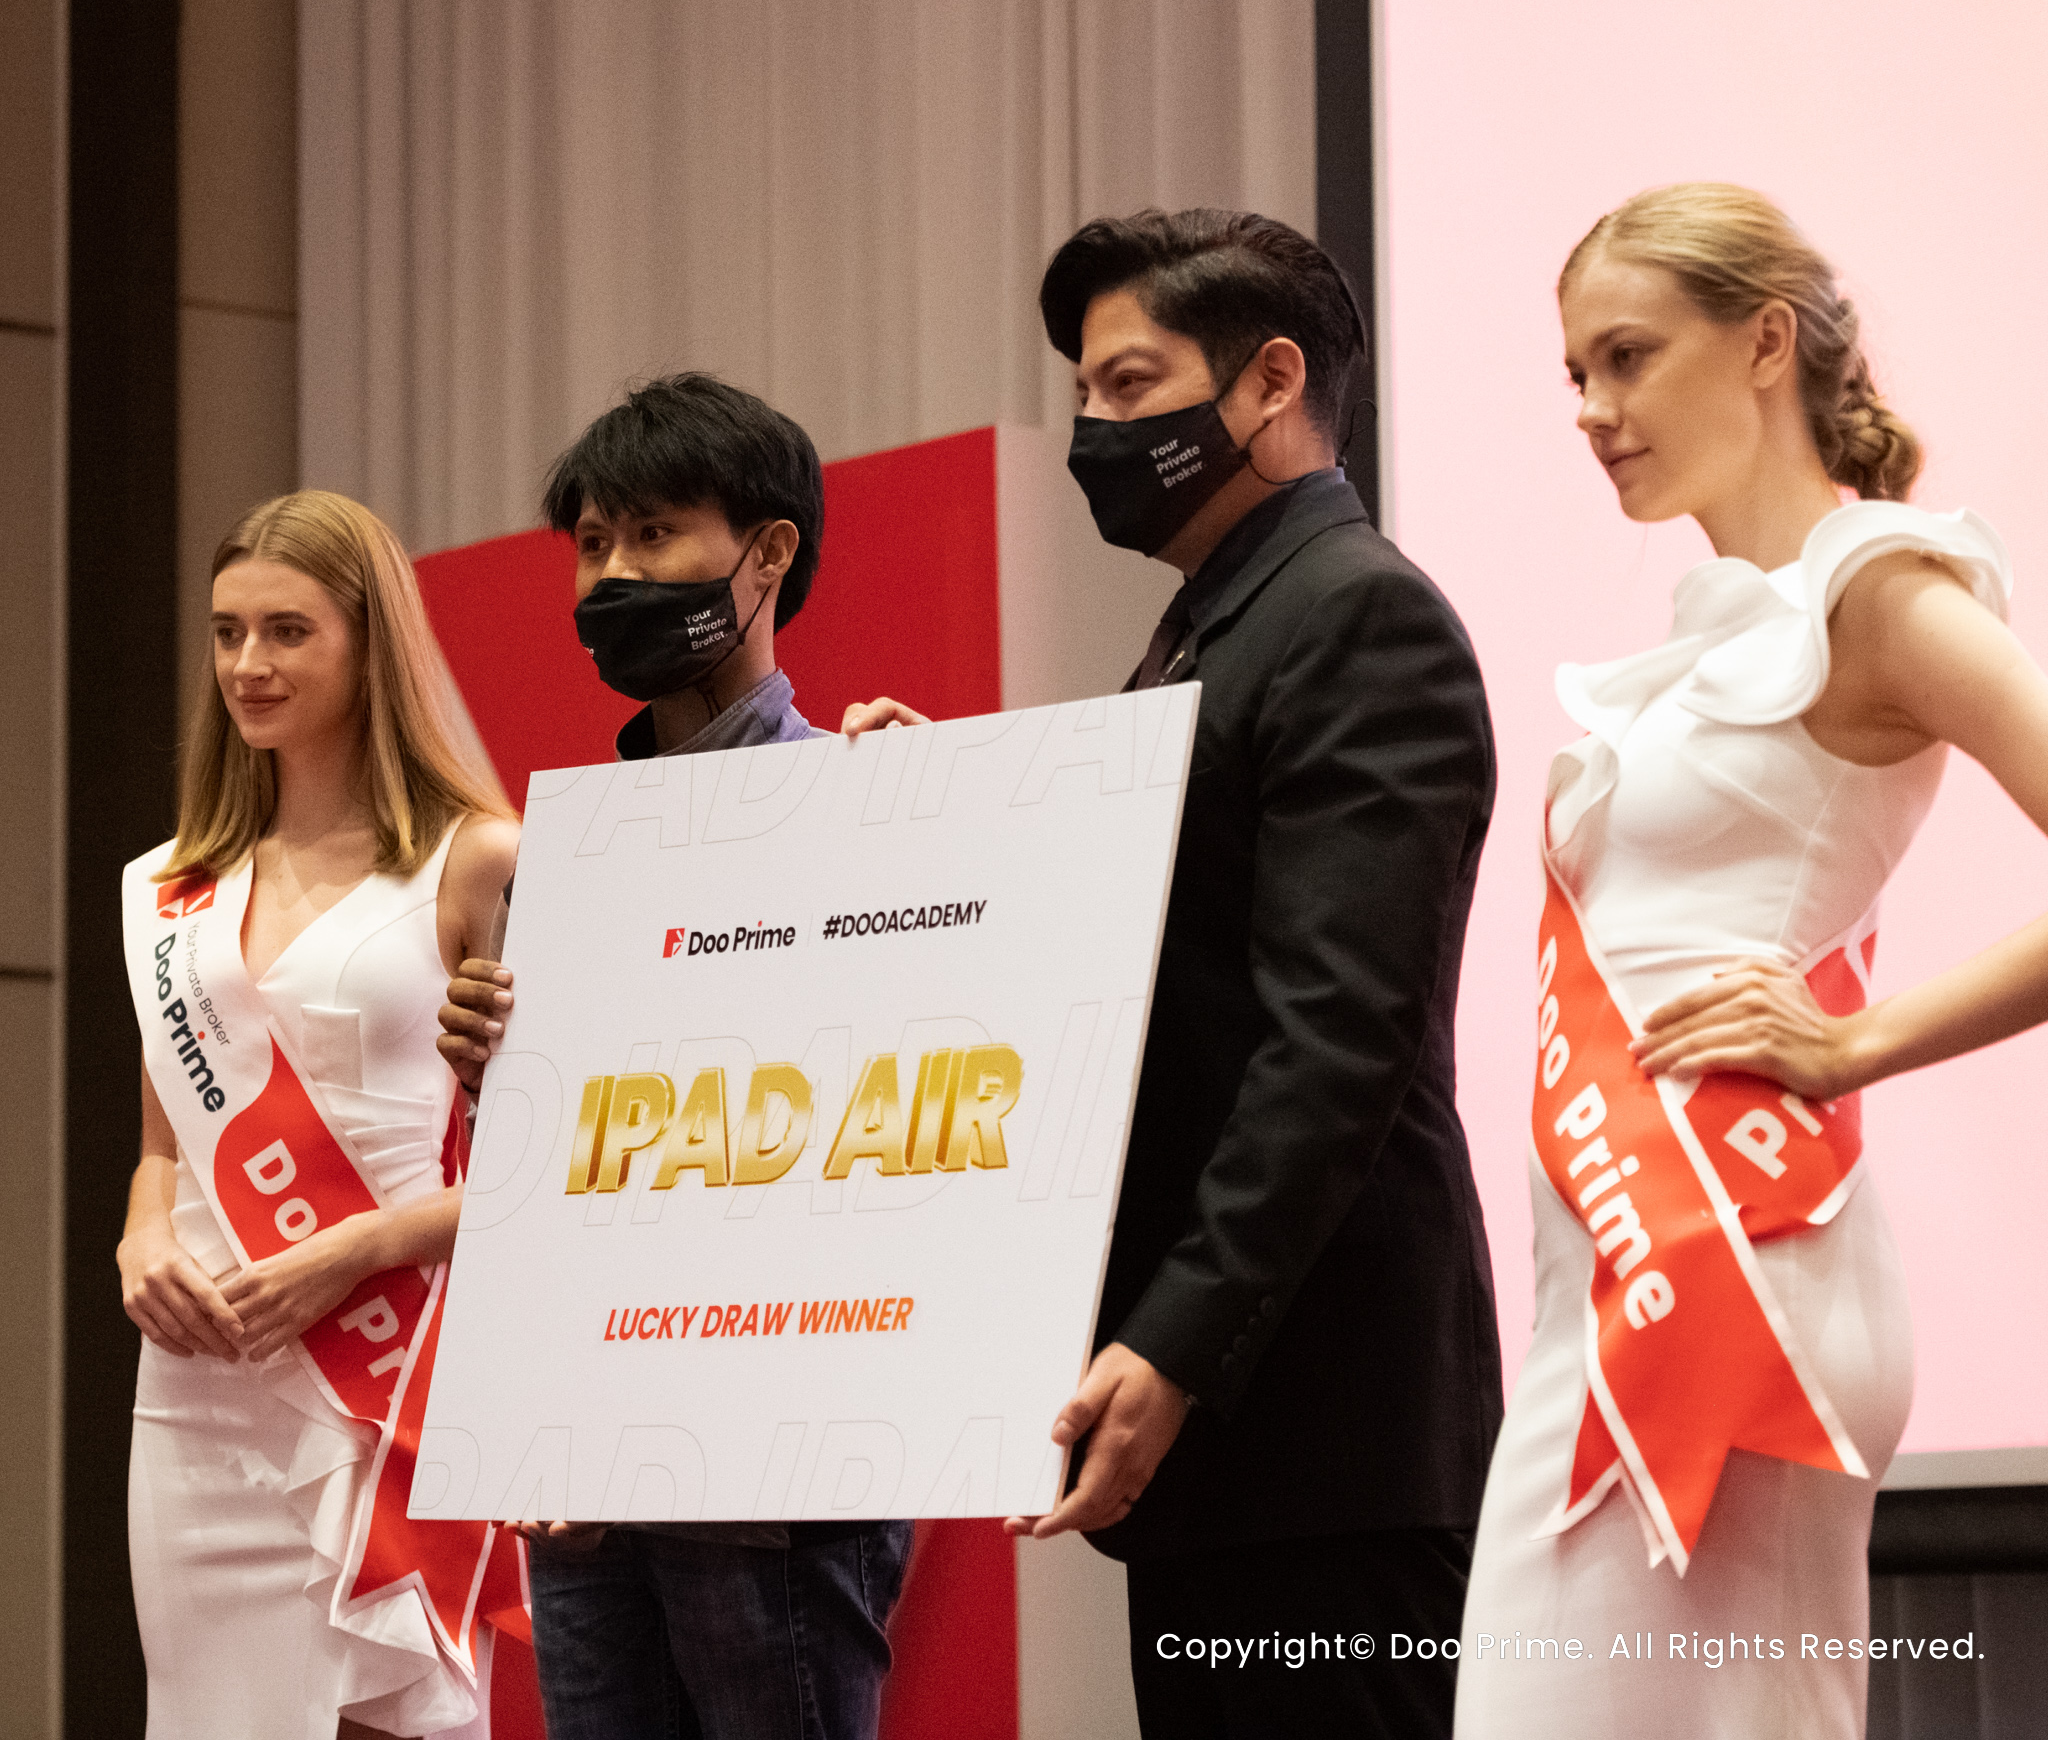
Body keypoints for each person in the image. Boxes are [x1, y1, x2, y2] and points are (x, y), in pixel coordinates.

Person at [1455, 182, 2048, 1737]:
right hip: (1609, 1281)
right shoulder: (1722, 631)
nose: (1593, 409)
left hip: (1744, 1269)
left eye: (1629, 357)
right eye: (1576, 372)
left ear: (1766, 342)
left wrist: (1862, 1041)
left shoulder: (1880, 594)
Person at [921, 206, 1501, 1738]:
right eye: (1082, 394)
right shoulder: (1208, 633)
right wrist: (934, 817)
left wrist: (1174, 1341)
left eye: (1128, 384)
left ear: (1270, 383)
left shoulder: (1357, 615)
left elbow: (1336, 1043)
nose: (1093, 431)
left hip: (1327, 1430)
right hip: (1233, 1446)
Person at [436, 372, 914, 1740]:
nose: (613, 576)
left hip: (777, 1465)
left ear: (768, 554)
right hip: (589, 1468)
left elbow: (910, 1123)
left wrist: (933, 851)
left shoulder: (873, 802)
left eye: (653, 534)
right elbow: (568, 1173)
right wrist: (495, 1073)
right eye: (593, 543)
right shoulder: (568, 860)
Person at [118, 490, 521, 1739]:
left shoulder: (478, 858)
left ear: (369, 642)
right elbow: (161, 1145)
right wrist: (141, 1236)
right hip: (199, 1382)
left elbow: (549, 1169)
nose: (248, 663)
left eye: (287, 630)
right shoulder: (172, 885)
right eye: (228, 631)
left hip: (381, 1362)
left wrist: (354, 1247)